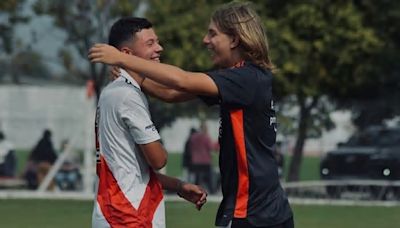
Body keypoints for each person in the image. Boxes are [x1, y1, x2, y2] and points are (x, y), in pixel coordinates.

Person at [89, 2, 293, 227]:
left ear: (234, 40)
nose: (206, 40)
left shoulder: (245, 79)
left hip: (252, 212)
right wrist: (134, 75)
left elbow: (182, 79)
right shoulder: (241, 79)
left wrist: (122, 59)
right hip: (267, 209)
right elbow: (172, 93)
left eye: (213, 34)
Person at [92, 17, 207, 228]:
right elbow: (158, 160)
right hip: (130, 216)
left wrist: (179, 186)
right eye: (150, 43)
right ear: (126, 54)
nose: (159, 48)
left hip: (115, 212)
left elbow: (132, 170)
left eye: (157, 41)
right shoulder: (128, 96)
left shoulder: (113, 92)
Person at [190, 122, 218, 194]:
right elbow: (211, 147)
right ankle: (212, 192)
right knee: (208, 178)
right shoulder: (206, 137)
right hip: (205, 160)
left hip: (196, 160)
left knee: (197, 178)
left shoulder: (193, 137)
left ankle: (195, 191)